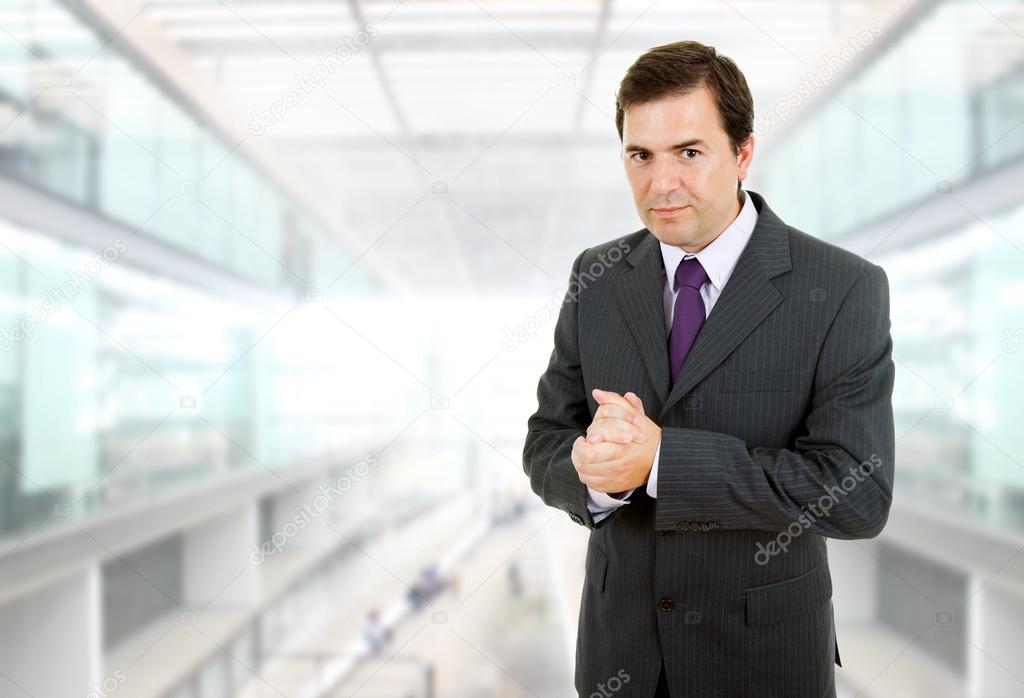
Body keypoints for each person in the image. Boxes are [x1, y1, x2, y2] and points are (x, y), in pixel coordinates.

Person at [522, 40, 895, 698]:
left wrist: (663, 462)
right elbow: (547, 439)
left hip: (763, 660)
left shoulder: (841, 288)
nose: (660, 183)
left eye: (689, 153)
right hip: (622, 659)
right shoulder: (598, 277)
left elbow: (856, 494)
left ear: (743, 152)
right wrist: (592, 476)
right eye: (641, 156)